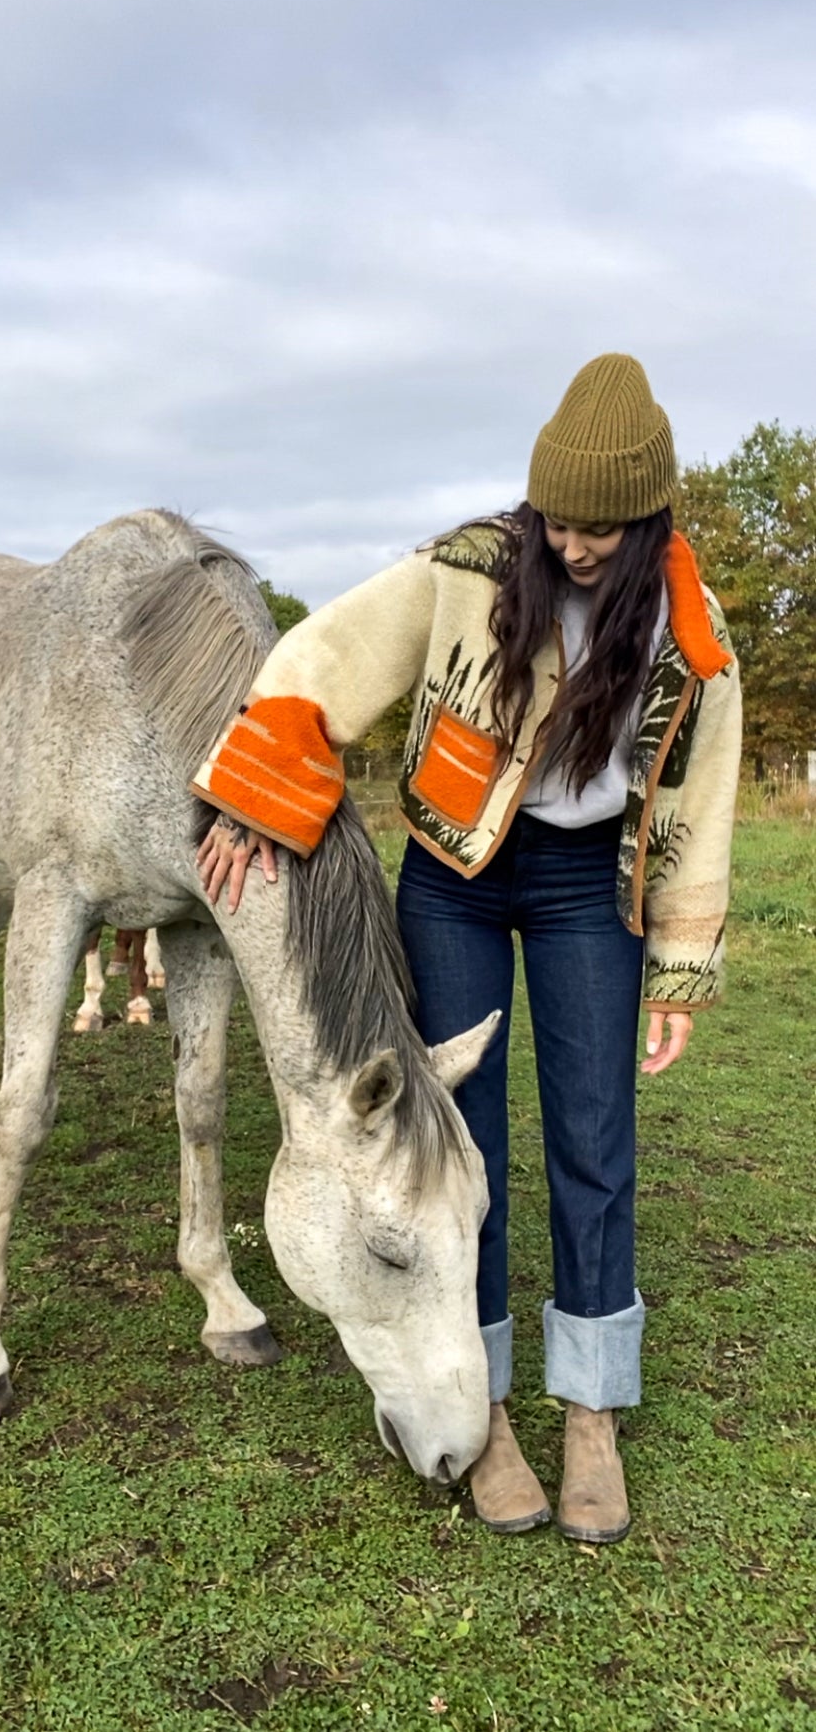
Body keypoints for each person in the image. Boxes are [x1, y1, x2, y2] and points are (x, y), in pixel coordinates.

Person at [194, 353, 742, 1545]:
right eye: (559, 517)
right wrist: (258, 792)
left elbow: (704, 802)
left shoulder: (692, 635)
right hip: (453, 879)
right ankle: (484, 1410)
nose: (576, 543)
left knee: (595, 1139)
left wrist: (682, 967)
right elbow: (321, 658)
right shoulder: (467, 571)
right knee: (457, 1139)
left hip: (590, 893)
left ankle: (591, 1408)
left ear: (648, 516)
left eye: (602, 525)